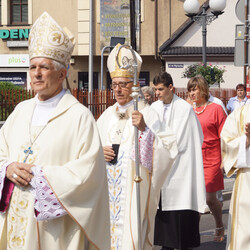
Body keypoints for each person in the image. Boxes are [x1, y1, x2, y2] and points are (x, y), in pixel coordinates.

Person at [0, 12, 110, 250]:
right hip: (15, 220)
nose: (36, 74)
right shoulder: (20, 111)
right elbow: (1, 152)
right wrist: (7, 168)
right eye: (32, 67)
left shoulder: (79, 116)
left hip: (54, 229)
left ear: (62, 74)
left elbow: (88, 175)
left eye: (44, 67)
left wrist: (40, 176)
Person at [97, 44, 178, 250]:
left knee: (131, 239)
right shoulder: (105, 116)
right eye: (114, 84)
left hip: (134, 192)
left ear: (134, 85)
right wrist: (99, 152)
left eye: (123, 84)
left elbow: (169, 150)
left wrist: (145, 131)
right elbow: (89, 148)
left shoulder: (149, 114)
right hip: (106, 192)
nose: (118, 89)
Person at [151, 72, 207, 250]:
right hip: (161, 170)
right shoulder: (154, 108)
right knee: (165, 226)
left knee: (182, 225)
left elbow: (183, 141)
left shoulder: (185, 109)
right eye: (155, 90)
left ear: (171, 88)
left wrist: (160, 146)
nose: (157, 93)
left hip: (181, 170)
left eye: (160, 89)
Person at [187, 75, 227, 243]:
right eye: (190, 89)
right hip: (193, 158)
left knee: (210, 198)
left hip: (213, 157)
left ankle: (219, 224)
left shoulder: (216, 108)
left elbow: (224, 136)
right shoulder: (188, 110)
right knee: (193, 199)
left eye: (194, 89)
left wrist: (225, 159)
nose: (191, 93)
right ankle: (193, 234)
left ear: (203, 89)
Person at [221, 96, 250, 249]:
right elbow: (225, 142)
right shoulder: (240, 114)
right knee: (244, 228)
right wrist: (246, 141)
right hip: (247, 179)